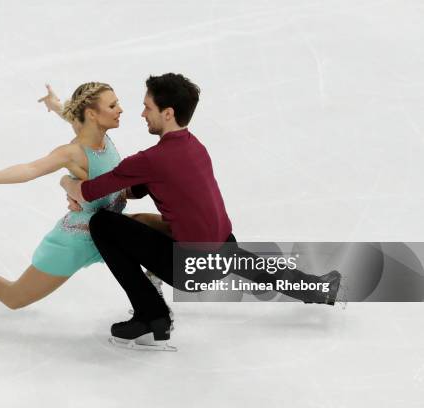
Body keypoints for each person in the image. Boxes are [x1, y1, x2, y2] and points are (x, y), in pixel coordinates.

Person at [60, 73, 342, 351]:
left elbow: (87, 192)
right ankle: (315, 289)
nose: (142, 114)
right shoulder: (193, 147)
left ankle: (151, 316)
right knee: (143, 224)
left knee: (104, 225)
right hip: (224, 248)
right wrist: (120, 185)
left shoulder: (151, 160)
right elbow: (136, 189)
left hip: (191, 268)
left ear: (168, 113)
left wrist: (66, 181)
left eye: (148, 107)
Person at [0, 82, 163, 311]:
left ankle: (158, 280)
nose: (121, 110)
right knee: (14, 297)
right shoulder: (74, 152)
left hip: (110, 227)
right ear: (92, 114)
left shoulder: (97, 133)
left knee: (159, 226)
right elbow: (31, 169)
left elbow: (73, 117)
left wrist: (55, 104)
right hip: (78, 239)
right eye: (113, 105)